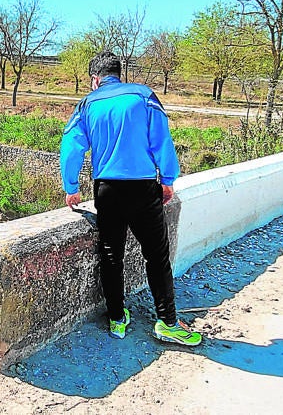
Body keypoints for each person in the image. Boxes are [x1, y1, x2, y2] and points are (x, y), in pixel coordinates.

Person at [60, 51, 202, 346]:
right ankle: (168, 322)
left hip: (107, 189)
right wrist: (167, 180)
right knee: (157, 256)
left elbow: (72, 146)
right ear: (117, 74)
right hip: (142, 188)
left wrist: (71, 186)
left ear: (95, 79)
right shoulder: (144, 96)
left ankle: (117, 318)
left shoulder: (87, 104)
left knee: (112, 255)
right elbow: (162, 139)